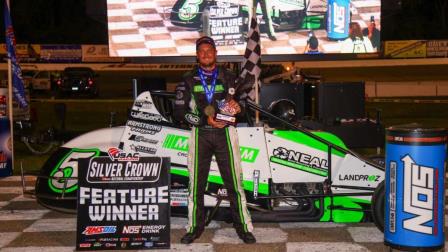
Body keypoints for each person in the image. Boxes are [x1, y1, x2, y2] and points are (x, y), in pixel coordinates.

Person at [174, 36, 256, 244]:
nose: (206, 54)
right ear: (197, 55)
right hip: (200, 134)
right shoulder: (188, 79)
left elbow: (243, 107)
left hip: (225, 135)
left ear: (215, 53)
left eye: (209, 50)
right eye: (201, 51)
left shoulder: (230, 77)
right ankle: (194, 228)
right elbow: (179, 111)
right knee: (195, 185)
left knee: (235, 184)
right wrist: (204, 119)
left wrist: (239, 109)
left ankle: (244, 228)